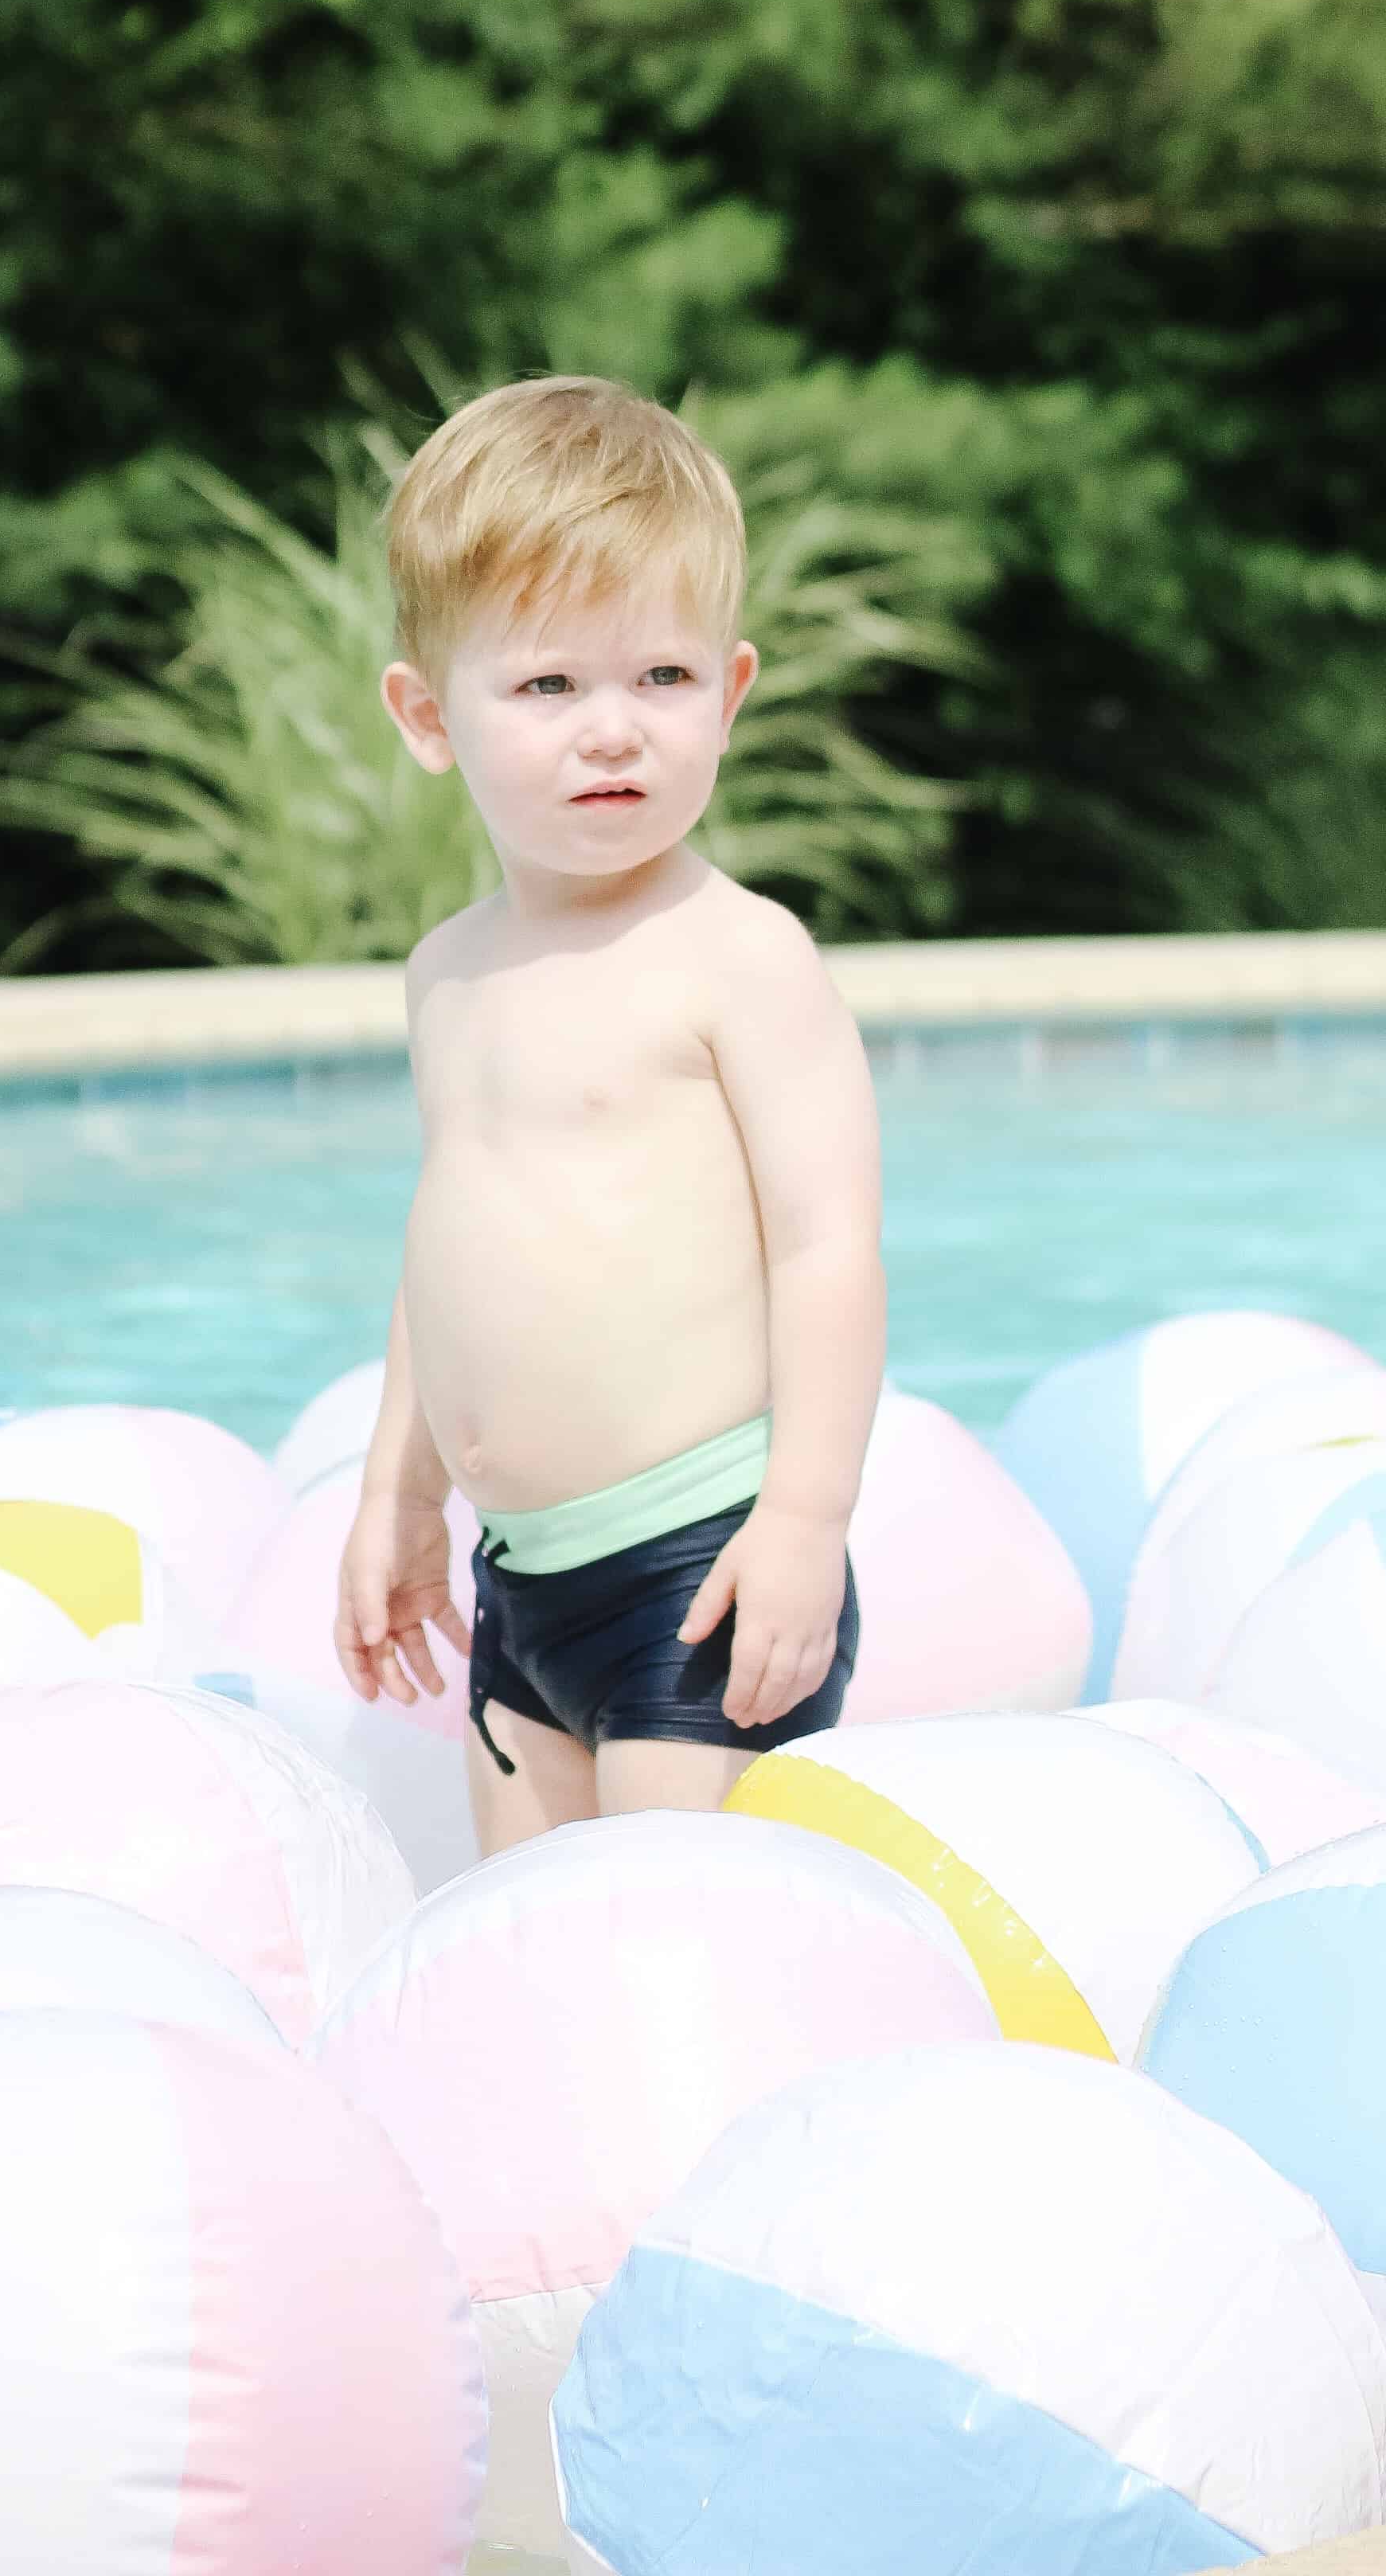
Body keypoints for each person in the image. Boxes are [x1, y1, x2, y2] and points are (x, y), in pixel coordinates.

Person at [332, 376, 885, 1851]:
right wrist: (401, 1497)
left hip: (698, 1571)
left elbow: (827, 1249)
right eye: (548, 687)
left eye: (662, 679)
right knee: (532, 1960)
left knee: (675, 1951)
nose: (613, 733)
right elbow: (445, 1249)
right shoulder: (447, 973)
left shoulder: (737, 958)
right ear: (428, 715)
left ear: (733, 690)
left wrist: (807, 1525)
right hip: (525, 1588)